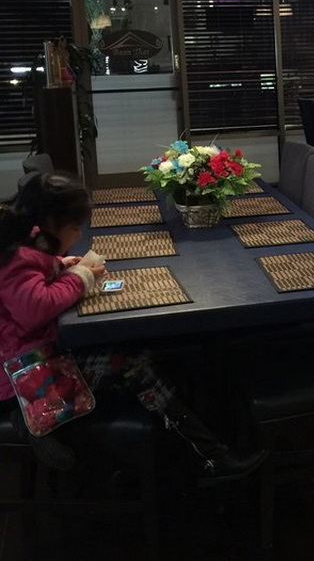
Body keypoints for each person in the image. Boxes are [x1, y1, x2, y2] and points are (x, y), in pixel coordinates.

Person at [0, 172, 264, 484]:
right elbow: (35, 308)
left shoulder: (26, 244)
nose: (79, 233)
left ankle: (185, 442)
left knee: (141, 353)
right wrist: (80, 277)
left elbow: (30, 285)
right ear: (50, 225)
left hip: (34, 354)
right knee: (133, 363)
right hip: (23, 371)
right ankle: (209, 456)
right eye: (75, 227)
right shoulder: (22, 257)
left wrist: (59, 266)